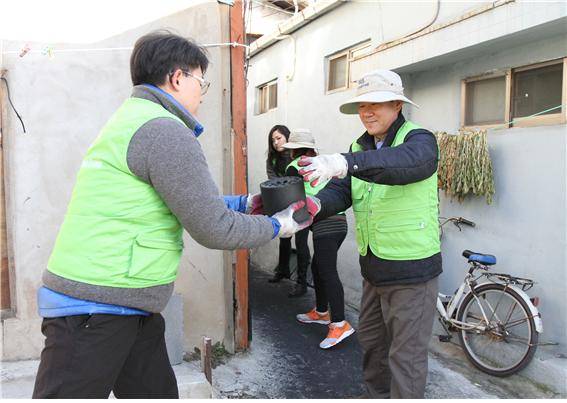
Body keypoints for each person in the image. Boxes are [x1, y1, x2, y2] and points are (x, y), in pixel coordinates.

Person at [32, 30, 314, 399]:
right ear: (178, 77)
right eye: (201, 80)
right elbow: (214, 229)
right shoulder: (164, 131)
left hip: (131, 304)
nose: (202, 91)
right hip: (95, 308)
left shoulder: (135, 118)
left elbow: (179, 200)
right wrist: (279, 224)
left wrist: (245, 204)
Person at [298, 69, 441, 398]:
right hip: (374, 271)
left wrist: (345, 162)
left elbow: (406, 163)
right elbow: (342, 191)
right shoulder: (359, 147)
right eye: (362, 105)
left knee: (406, 359)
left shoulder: (418, 140)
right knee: (373, 349)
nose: (367, 112)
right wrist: (312, 208)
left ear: (396, 105)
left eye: (376, 104)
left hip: (412, 271)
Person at [283, 129, 354, 349]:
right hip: (339, 221)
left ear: (294, 149)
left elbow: (291, 196)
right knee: (319, 266)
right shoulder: (322, 163)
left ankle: (339, 323)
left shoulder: (295, 166)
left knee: (327, 271)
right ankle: (322, 311)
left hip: (326, 222)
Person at [265, 125, 306, 294]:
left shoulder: (296, 156)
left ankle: (302, 282)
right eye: (273, 140)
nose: (276, 142)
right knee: (284, 237)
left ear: (287, 138)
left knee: (302, 242)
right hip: (282, 201)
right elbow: (273, 181)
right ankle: (283, 270)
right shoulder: (272, 160)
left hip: (301, 202)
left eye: (279, 138)